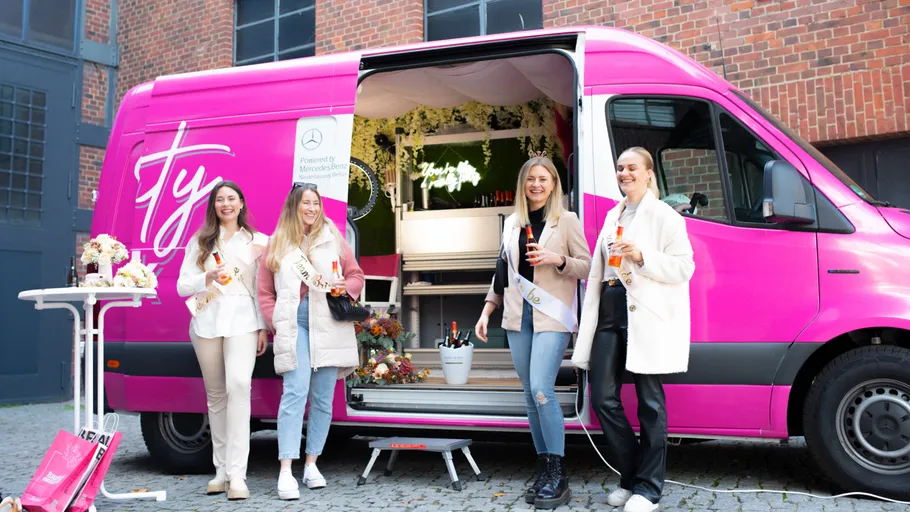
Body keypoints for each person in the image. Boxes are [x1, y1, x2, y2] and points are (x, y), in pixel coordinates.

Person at [571, 147, 695, 512]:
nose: (625, 174)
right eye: (620, 168)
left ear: (648, 174)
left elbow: (684, 267)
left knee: (650, 404)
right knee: (602, 398)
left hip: (644, 310)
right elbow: (601, 268)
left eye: (632, 168)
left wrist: (641, 256)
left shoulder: (665, 216)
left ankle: (649, 490)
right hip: (610, 307)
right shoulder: (614, 213)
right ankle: (632, 477)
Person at [475, 152, 591, 510]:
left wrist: (557, 260)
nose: (536, 185)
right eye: (530, 179)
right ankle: (544, 468)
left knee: (542, 389)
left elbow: (587, 267)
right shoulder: (513, 222)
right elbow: (501, 270)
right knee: (529, 394)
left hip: (552, 318)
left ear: (553, 183)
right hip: (517, 316)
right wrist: (486, 310)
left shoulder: (566, 221)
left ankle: (557, 470)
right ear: (522, 185)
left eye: (543, 179)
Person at [257, 182, 364, 500]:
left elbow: (356, 274)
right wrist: (274, 320)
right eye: (306, 202)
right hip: (294, 326)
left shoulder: (332, 236)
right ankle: (286, 470)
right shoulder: (277, 242)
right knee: (294, 392)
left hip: (329, 324)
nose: (312, 208)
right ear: (294, 205)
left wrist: (348, 286)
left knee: (322, 398)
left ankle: (312, 464)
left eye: (316, 203)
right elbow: (264, 292)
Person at [176, 180, 270, 501]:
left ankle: (238, 474)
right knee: (216, 396)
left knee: (239, 387)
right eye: (220, 199)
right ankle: (220, 471)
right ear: (213, 206)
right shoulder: (200, 242)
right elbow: (181, 286)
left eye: (231, 198)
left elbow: (261, 287)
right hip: (207, 321)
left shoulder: (257, 242)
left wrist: (262, 327)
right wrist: (207, 277)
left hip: (244, 320)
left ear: (241, 203)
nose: (226, 204)